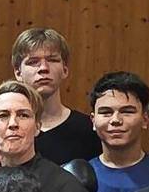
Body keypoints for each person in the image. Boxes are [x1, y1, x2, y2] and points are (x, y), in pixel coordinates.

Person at [13, 27, 98, 163]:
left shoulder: (90, 130)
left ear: (65, 69)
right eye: (33, 62)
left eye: (52, 60)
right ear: (18, 73)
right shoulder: (7, 131)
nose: (43, 68)